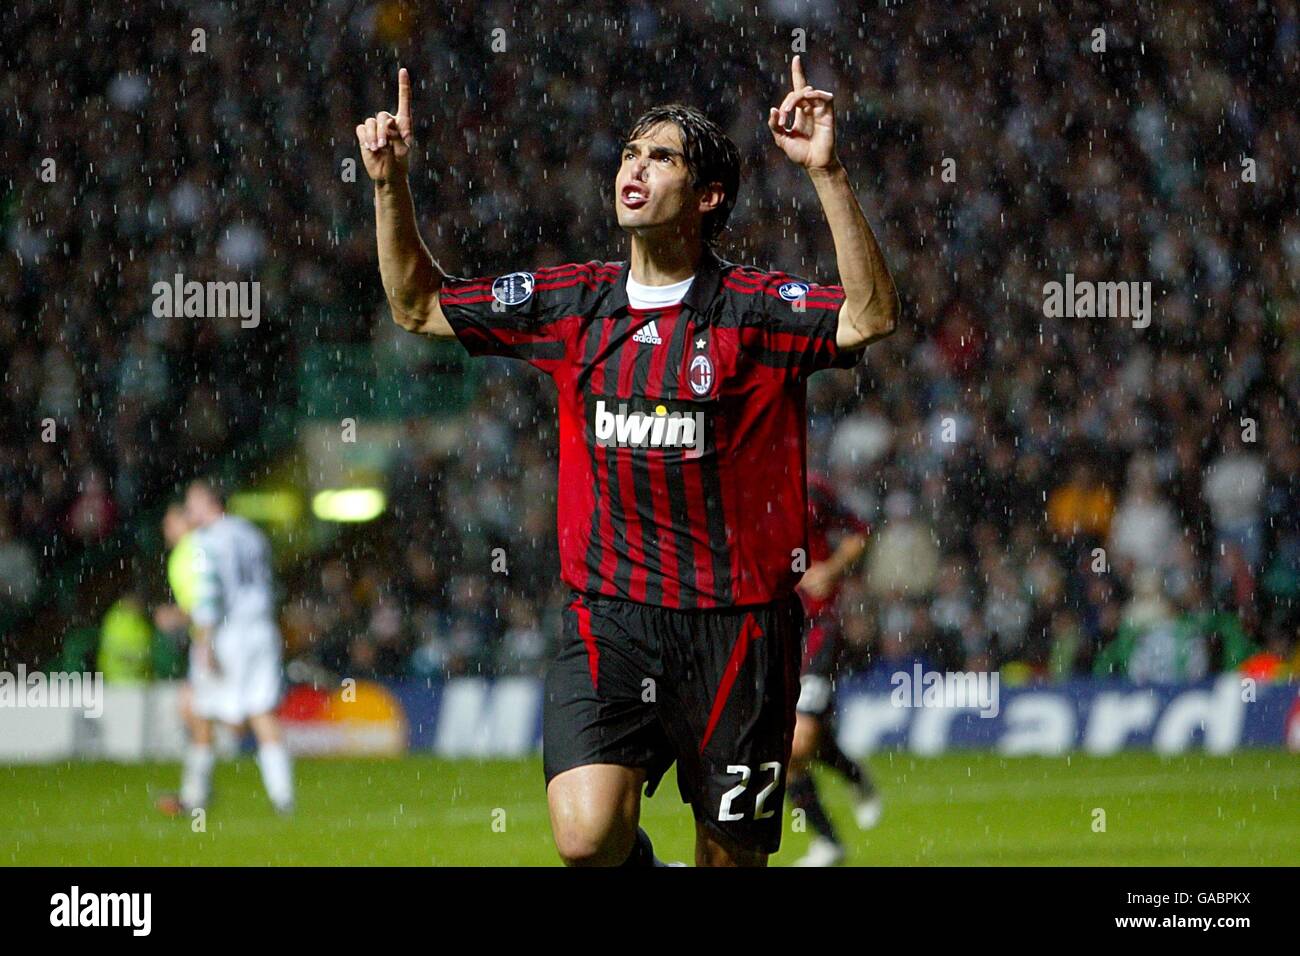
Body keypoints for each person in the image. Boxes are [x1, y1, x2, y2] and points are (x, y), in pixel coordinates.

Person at [357, 56, 898, 866]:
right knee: (584, 837)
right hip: (609, 616)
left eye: (660, 156)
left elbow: (871, 316)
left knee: (732, 861)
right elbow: (416, 303)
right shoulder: (573, 302)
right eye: (628, 153)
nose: (633, 168)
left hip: (740, 629)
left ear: (707, 196)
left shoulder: (751, 309)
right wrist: (390, 185)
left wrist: (827, 171)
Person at [158, 481, 294, 816]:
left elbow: (208, 596)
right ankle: (283, 798)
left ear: (209, 503)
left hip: (229, 632)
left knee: (199, 710)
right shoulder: (252, 533)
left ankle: (194, 796)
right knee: (261, 712)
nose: (190, 513)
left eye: (193, 504)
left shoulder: (207, 541)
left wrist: (204, 641)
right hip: (262, 628)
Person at [788, 473, 880, 867]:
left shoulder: (811, 487)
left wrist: (831, 568)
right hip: (770, 628)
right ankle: (852, 779)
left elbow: (860, 532)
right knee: (792, 746)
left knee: (798, 740)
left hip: (817, 628)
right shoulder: (742, 485)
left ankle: (829, 841)